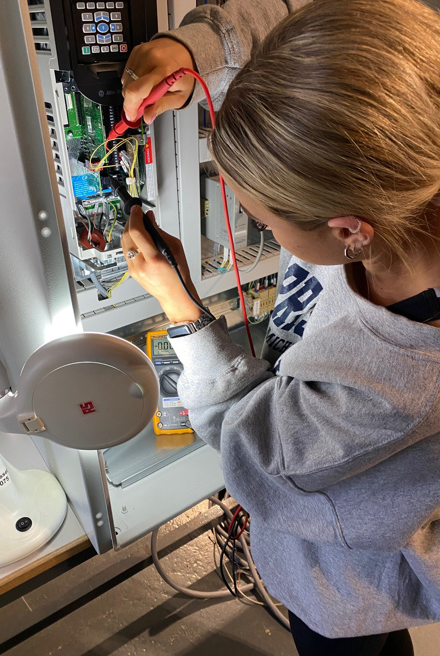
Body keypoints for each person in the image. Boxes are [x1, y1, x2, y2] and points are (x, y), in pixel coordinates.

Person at [120, 0, 440, 654]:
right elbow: (310, 42)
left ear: (349, 228)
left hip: (343, 582)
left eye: (266, 217)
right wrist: (193, 50)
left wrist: (183, 310)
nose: (264, 229)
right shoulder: (407, 210)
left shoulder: (387, 386)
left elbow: (261, 453)